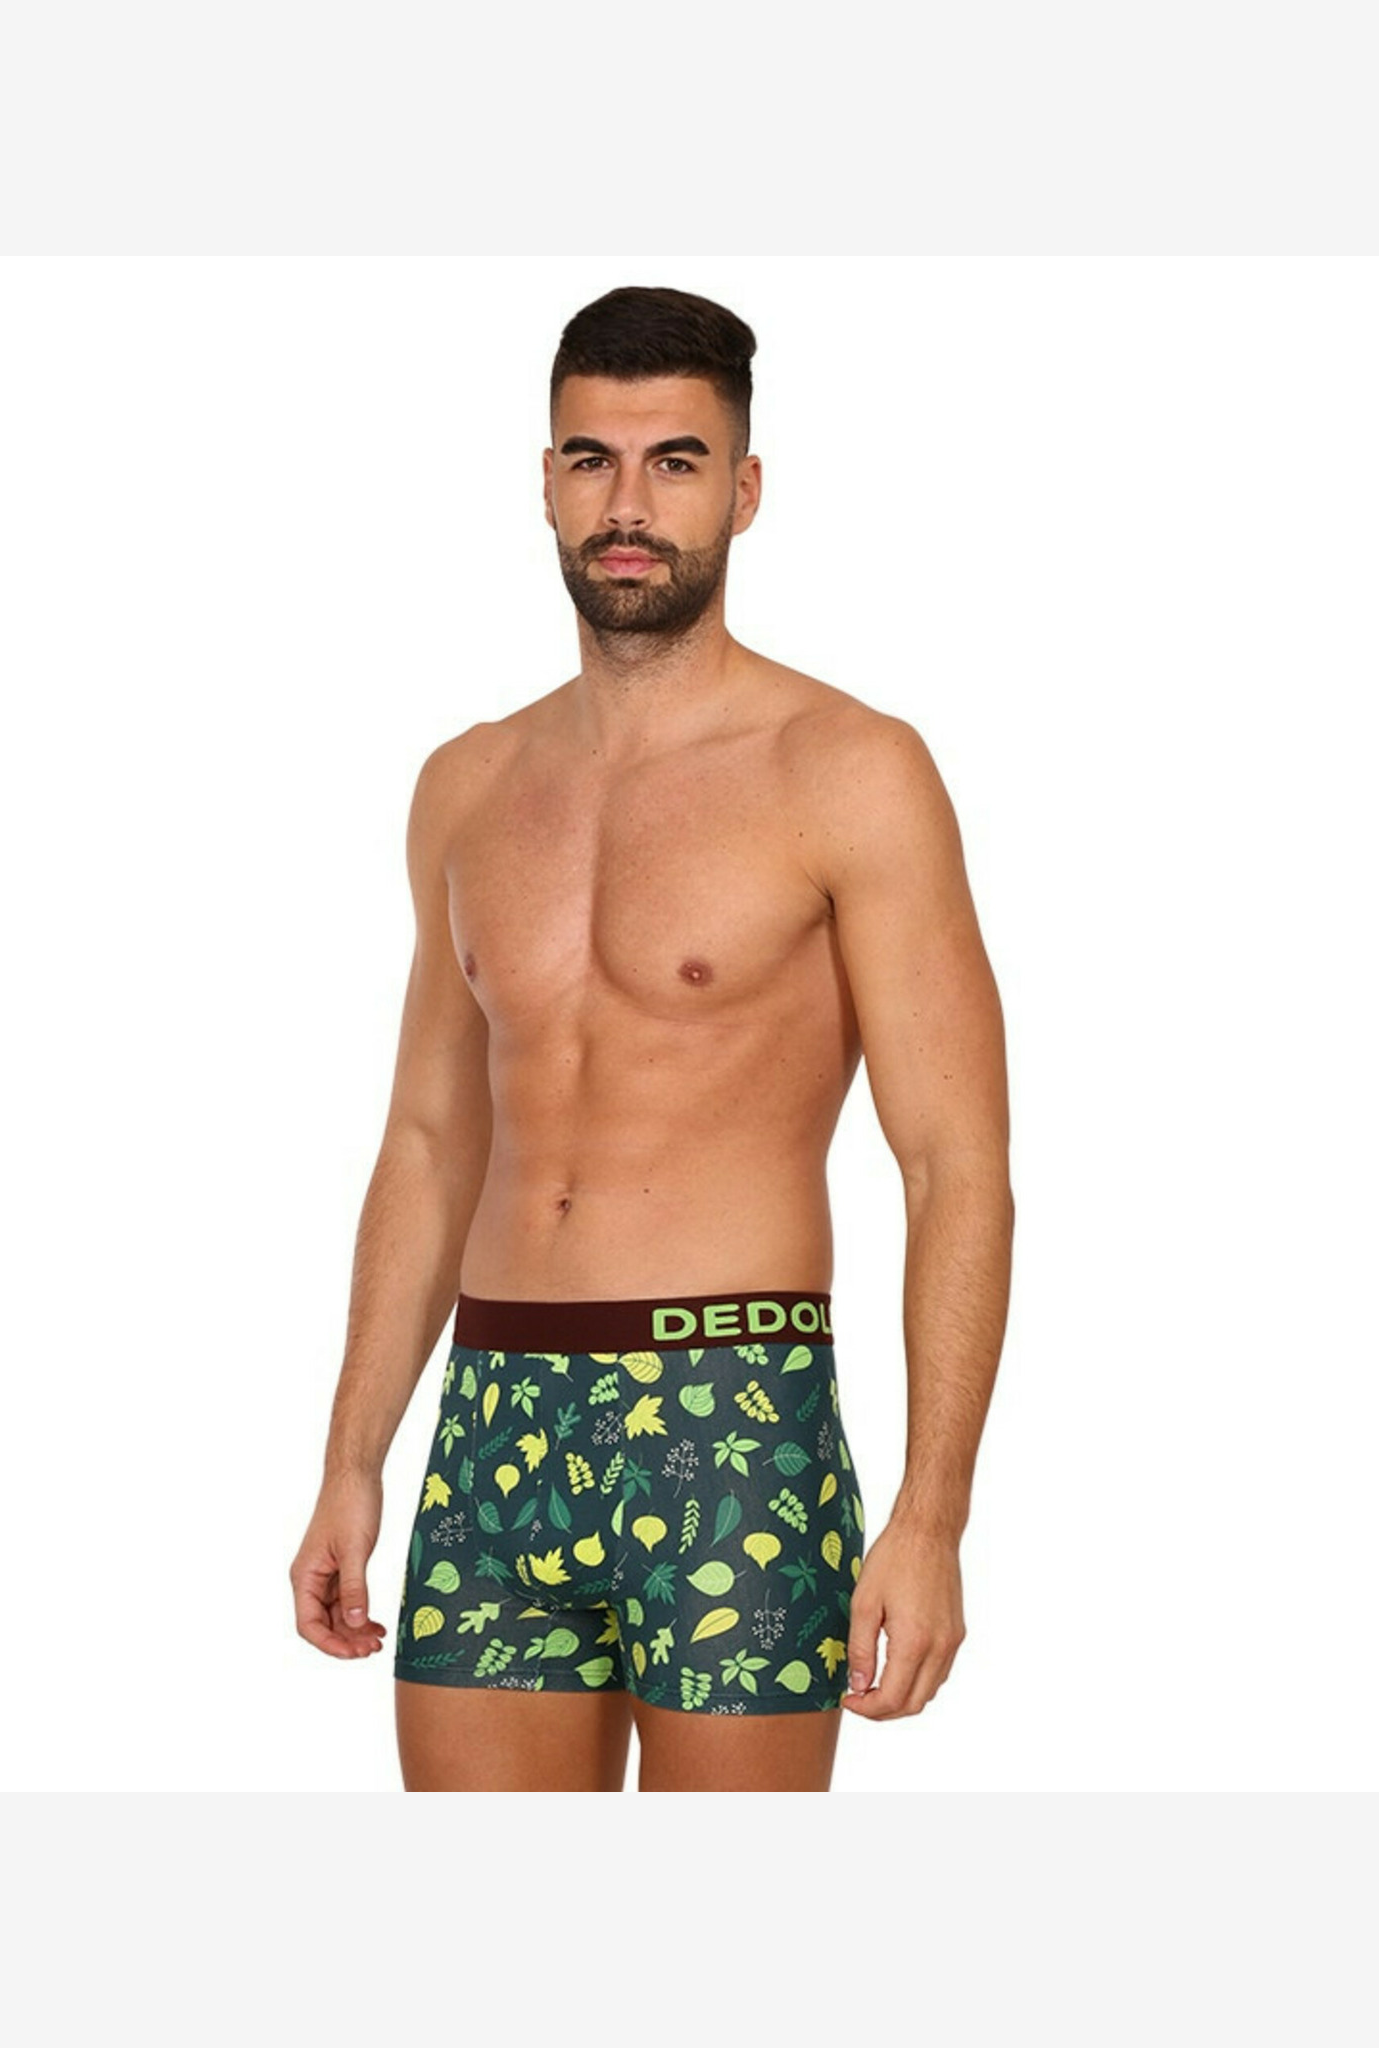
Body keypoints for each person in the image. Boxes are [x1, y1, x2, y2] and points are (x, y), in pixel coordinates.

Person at [289, 284, 1015, 1792]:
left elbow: (956, 1165)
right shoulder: (468, 785)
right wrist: (353, 1455)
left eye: (674, 462)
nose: (629, 506)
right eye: (592, 460)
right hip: (495, 1413)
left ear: (742, 491)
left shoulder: (849, 770)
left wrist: (933, 1513)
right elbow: (429, 1141)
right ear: (547, 481)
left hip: (729, 1414)